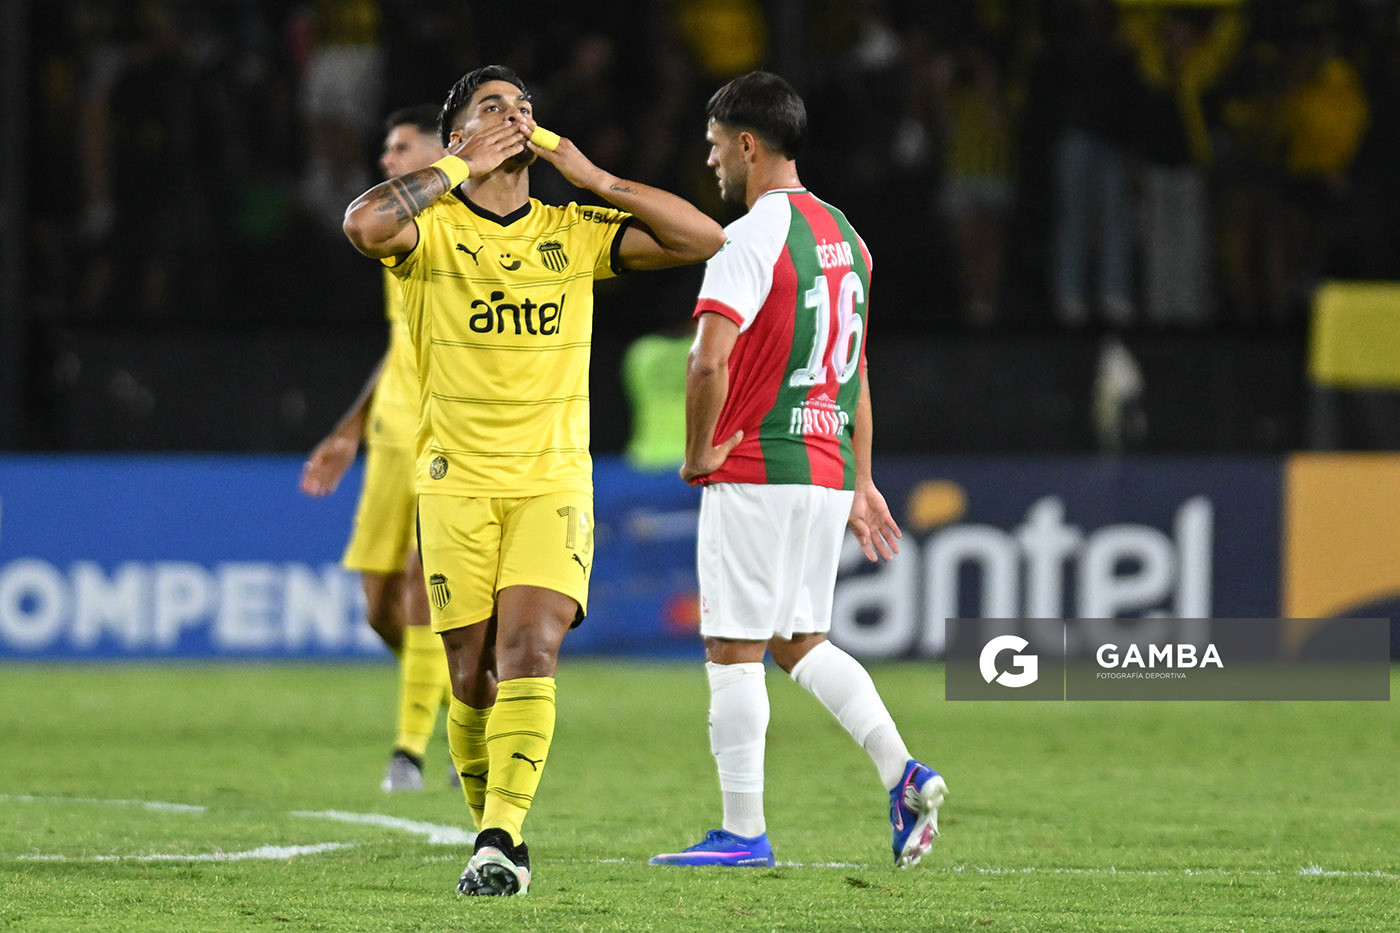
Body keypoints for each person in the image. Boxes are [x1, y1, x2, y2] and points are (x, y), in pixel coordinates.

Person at [341, 64, 725, 897]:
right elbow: (366, 225)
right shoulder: (432, 227)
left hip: (552, 480)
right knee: (470, 675)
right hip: (455, 482)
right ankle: (494, 831)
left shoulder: (573, 227)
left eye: (523, 108)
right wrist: (457, 165)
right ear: (459, 134)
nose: (515, 118)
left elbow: (704, 239)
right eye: (492, 109)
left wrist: (596, 177)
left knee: (530, 648)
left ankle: (500, 837)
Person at [648, 71, 947, 870]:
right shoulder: (850, 238)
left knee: (733, 647)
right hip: (823, 469)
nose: (711, 162)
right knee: (799, 640)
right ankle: (903, 770)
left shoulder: (744, 239)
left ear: (749, 144)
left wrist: (697, 450)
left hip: (756, 464)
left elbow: (708, 361)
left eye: (715, 147)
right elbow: (855, 373)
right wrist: (861, 478)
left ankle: (742, 831)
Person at [301, 105, 452, 794]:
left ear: (441, 151)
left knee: (425, 582)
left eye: (401, 149)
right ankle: (456, 693)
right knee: (379, 604)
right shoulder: (400, 230)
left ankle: (410, 750)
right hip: (393, 431)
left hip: (449, 431)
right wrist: (350, 425)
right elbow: (402, 347)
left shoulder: (465, 223)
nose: (387, 160)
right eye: (386, 149)